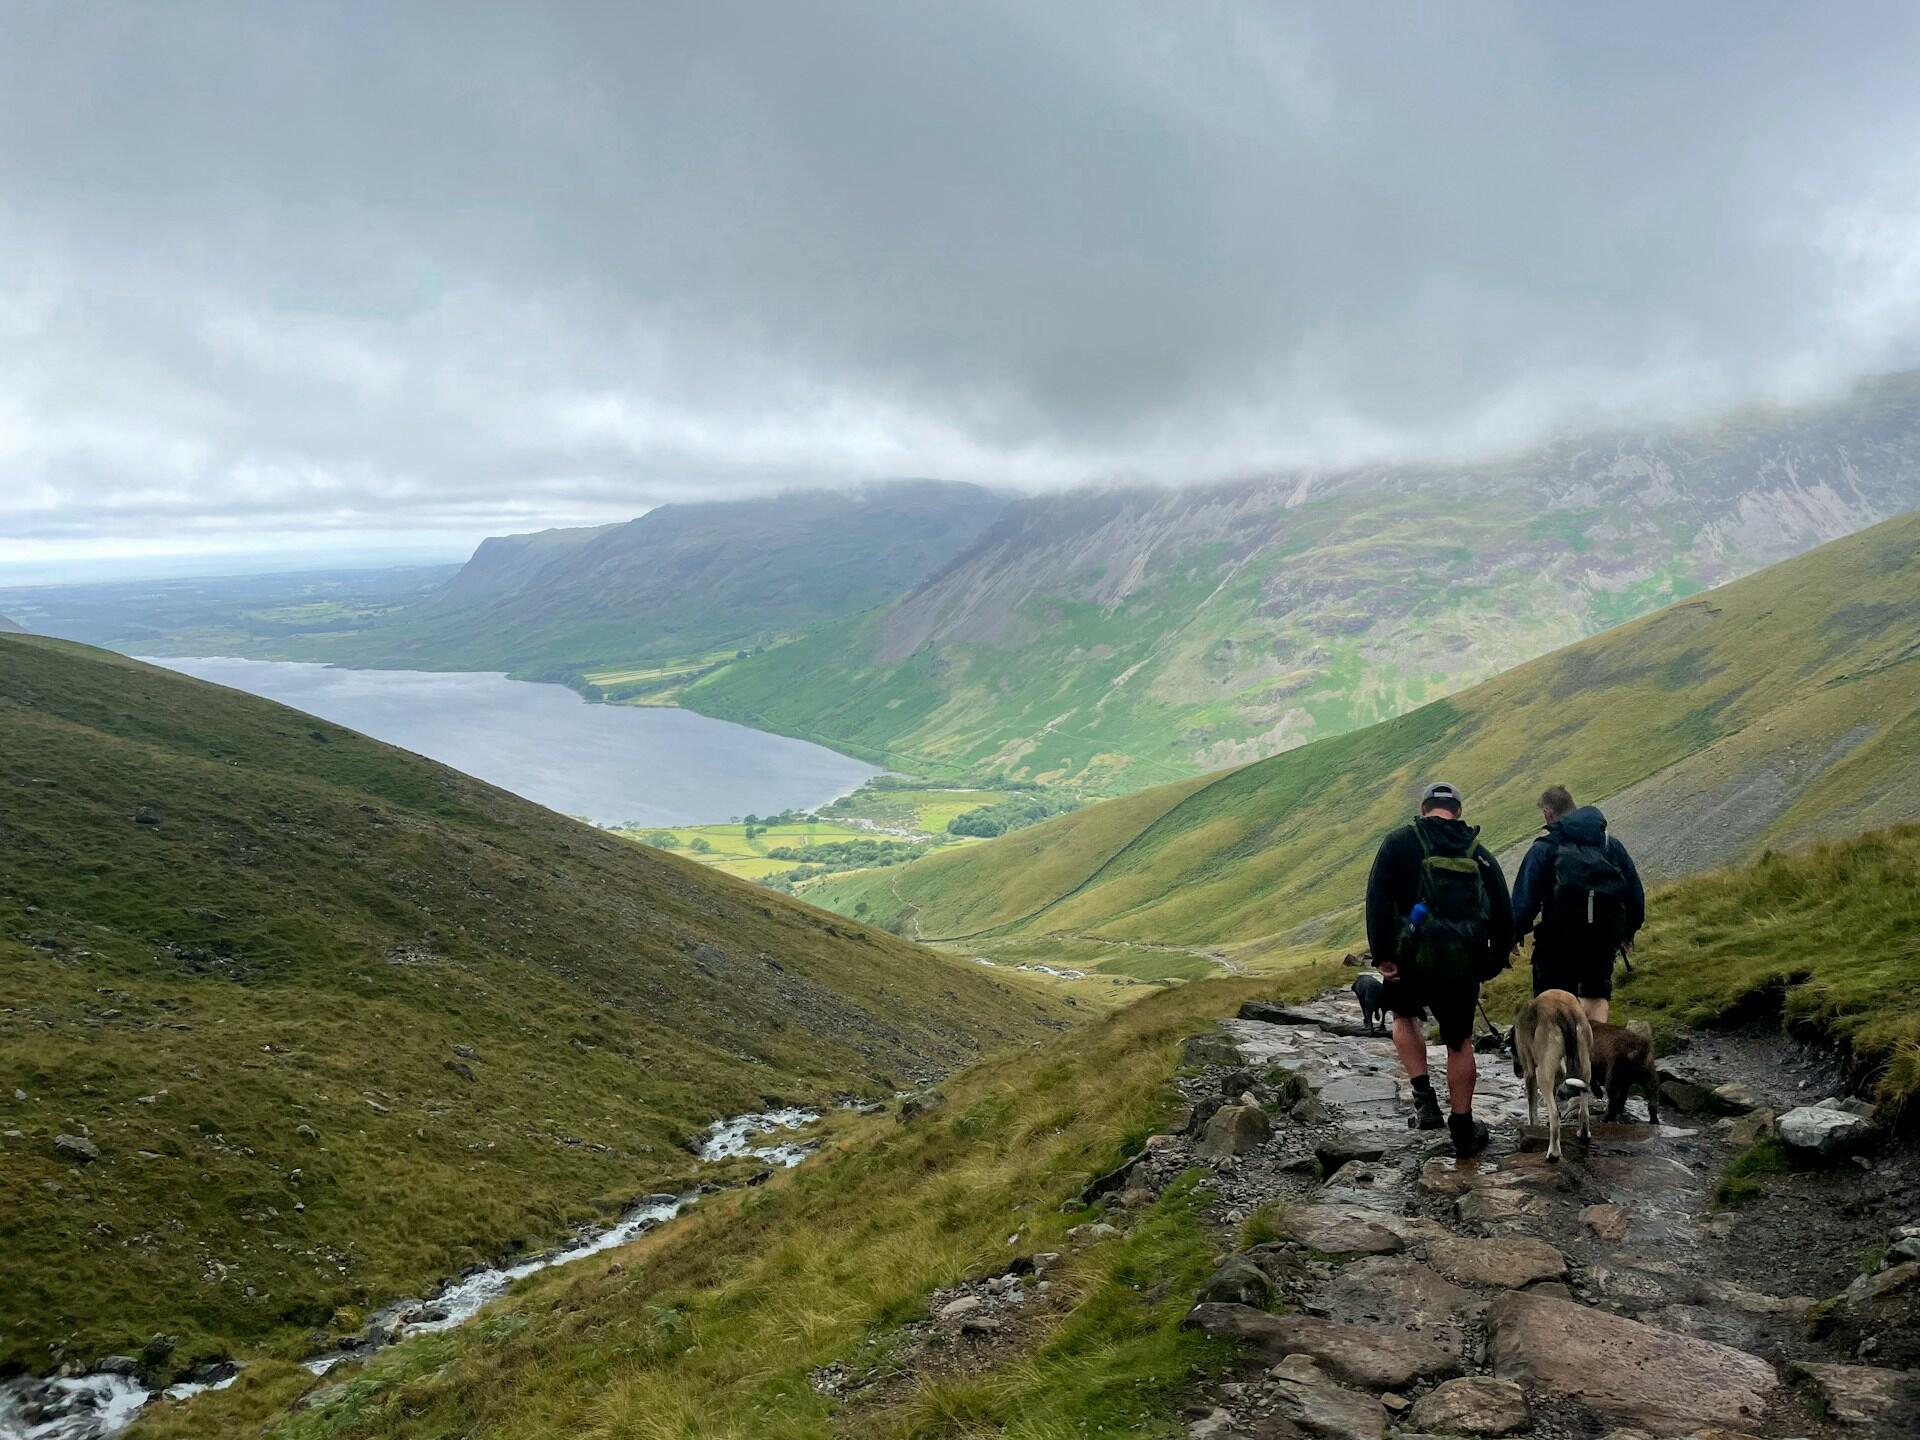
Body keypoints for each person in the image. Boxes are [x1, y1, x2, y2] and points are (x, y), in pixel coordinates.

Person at [1364, 781, 1514, 1158]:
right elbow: (1503, 912)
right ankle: (1462, 1128)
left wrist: (1382, 953)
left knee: (1403, 1016)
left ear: (1423, 807)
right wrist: (1491, 963)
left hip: (1409, 958)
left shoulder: (1399, 842)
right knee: (1459, 1043)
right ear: (1458, 811)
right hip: (1462, 964)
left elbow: (1377, 899)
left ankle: (1424, 1099)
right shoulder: (1478, 853)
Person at [1511, 786, 1645, 1024]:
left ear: (1549, 813)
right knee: (1596, 995)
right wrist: (1628, 932)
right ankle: (1593, 1057)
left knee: (1553, 1008)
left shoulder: (1544, 849)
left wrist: (1513, 935)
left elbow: (1524, 902)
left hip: (1557, 942)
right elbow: (1635, 894)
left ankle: (1558, 1057)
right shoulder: (1609, 845)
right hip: (1603, 941)